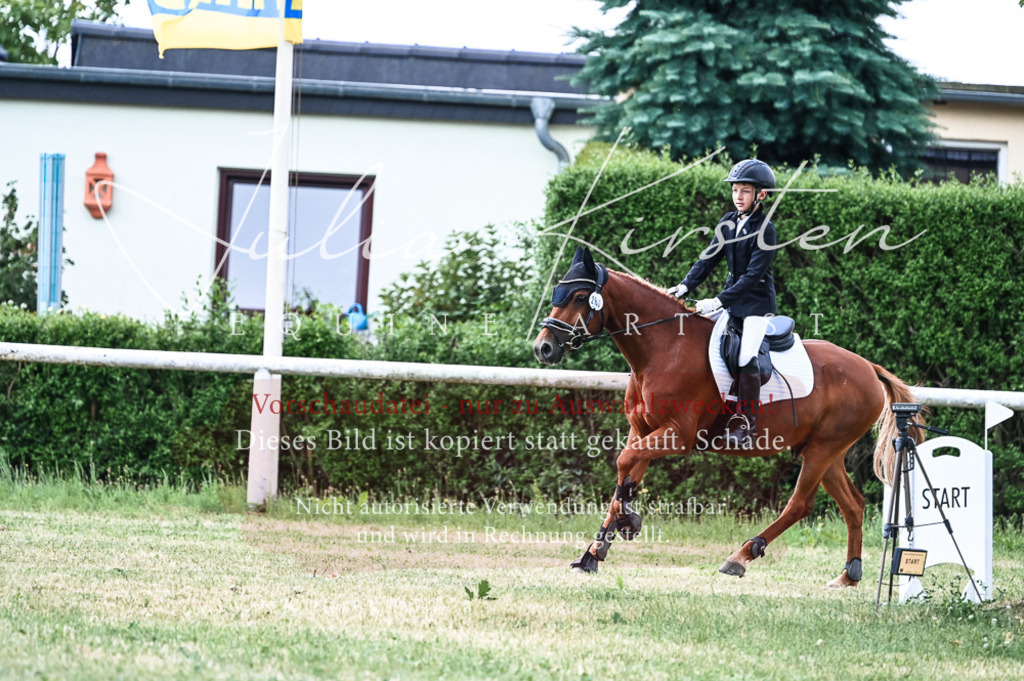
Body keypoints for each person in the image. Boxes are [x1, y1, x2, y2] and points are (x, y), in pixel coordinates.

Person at [666, 159, 778, 449]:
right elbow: (709, 258)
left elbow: (753, 277)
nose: (738, 196)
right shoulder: (727, 222)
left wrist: (717, 301)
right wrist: (685, 285)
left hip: (756, 306)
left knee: (744, 358)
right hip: (731, 302)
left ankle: (746, 422)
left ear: (760, 195)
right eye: (735, 191)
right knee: (700, 344)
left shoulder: (766, 230)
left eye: (745, 191)